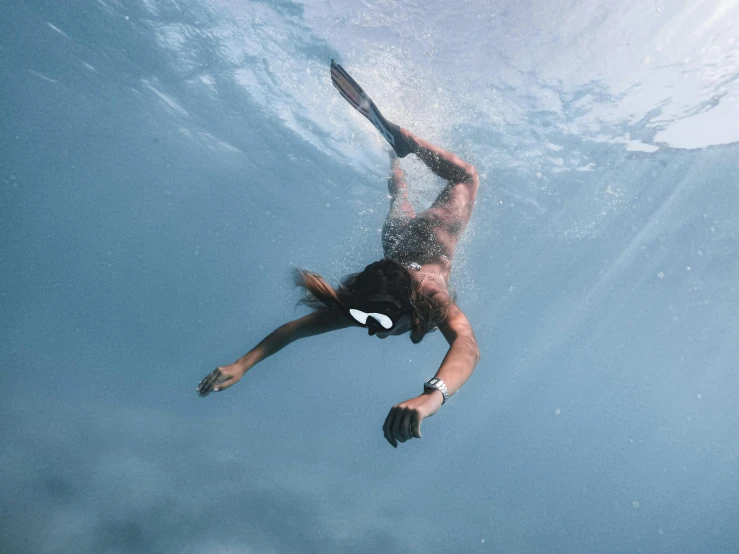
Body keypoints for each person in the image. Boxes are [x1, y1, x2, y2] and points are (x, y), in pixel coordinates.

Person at [198, 61, 480, 448]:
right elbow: (294, 330)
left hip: (430, 237)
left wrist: (432, 397)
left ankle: (401, 148)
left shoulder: (431, 296)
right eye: (366, 317)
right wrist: (242, 364)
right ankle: (397, 156)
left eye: (374, 318)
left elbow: (467, 345)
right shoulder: (372, 304)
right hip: (395, 243)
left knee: (466, 178)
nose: (368, 326)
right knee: (407, 196)